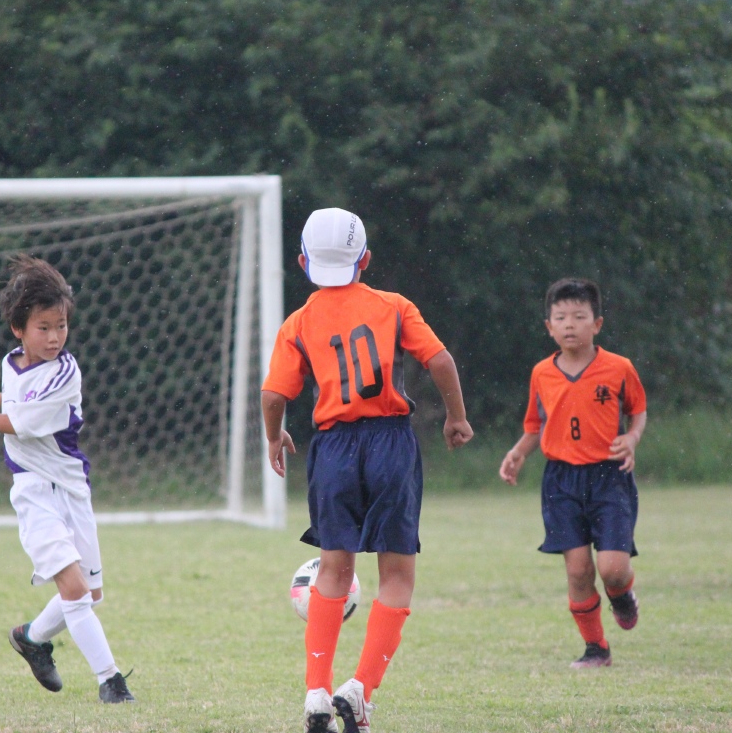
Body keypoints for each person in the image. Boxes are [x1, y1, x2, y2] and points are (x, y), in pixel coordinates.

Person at [261, 208, 474, 733]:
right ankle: (359, 689)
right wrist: (456, 417)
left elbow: (273, 394)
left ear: (303, 263)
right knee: (396, 574)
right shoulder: (394, 306)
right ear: (366, 259)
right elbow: (440, 361)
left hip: (333, 448)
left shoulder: (298, 322)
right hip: (390, 443)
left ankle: (316, 692)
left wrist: (274, 435)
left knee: (334, 569)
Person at [0, 255, 135, 704]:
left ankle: (30, 638)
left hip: (71, 489)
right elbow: (19, 393)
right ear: (19, 329)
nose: (54, 337)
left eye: (61, 326)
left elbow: (22, 422)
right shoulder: (11, 362)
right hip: (33, 491)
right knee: (75, 591)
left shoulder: (66, 372)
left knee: (90, 594)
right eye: (44, 327)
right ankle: (111, 682)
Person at [498, 277, 647, 668]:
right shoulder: (541, 373)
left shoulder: (619, 368)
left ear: (596, 323)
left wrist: (632, 437)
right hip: (561, 481)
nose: (570, 324)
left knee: (613, 569)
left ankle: (622, 595)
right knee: (578, 570)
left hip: (609, 477)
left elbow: (638, 411)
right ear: (549, 326)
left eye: (579, 316)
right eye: (561, 317)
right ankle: (596, 648)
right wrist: (518, 453)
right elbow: (535, 425)